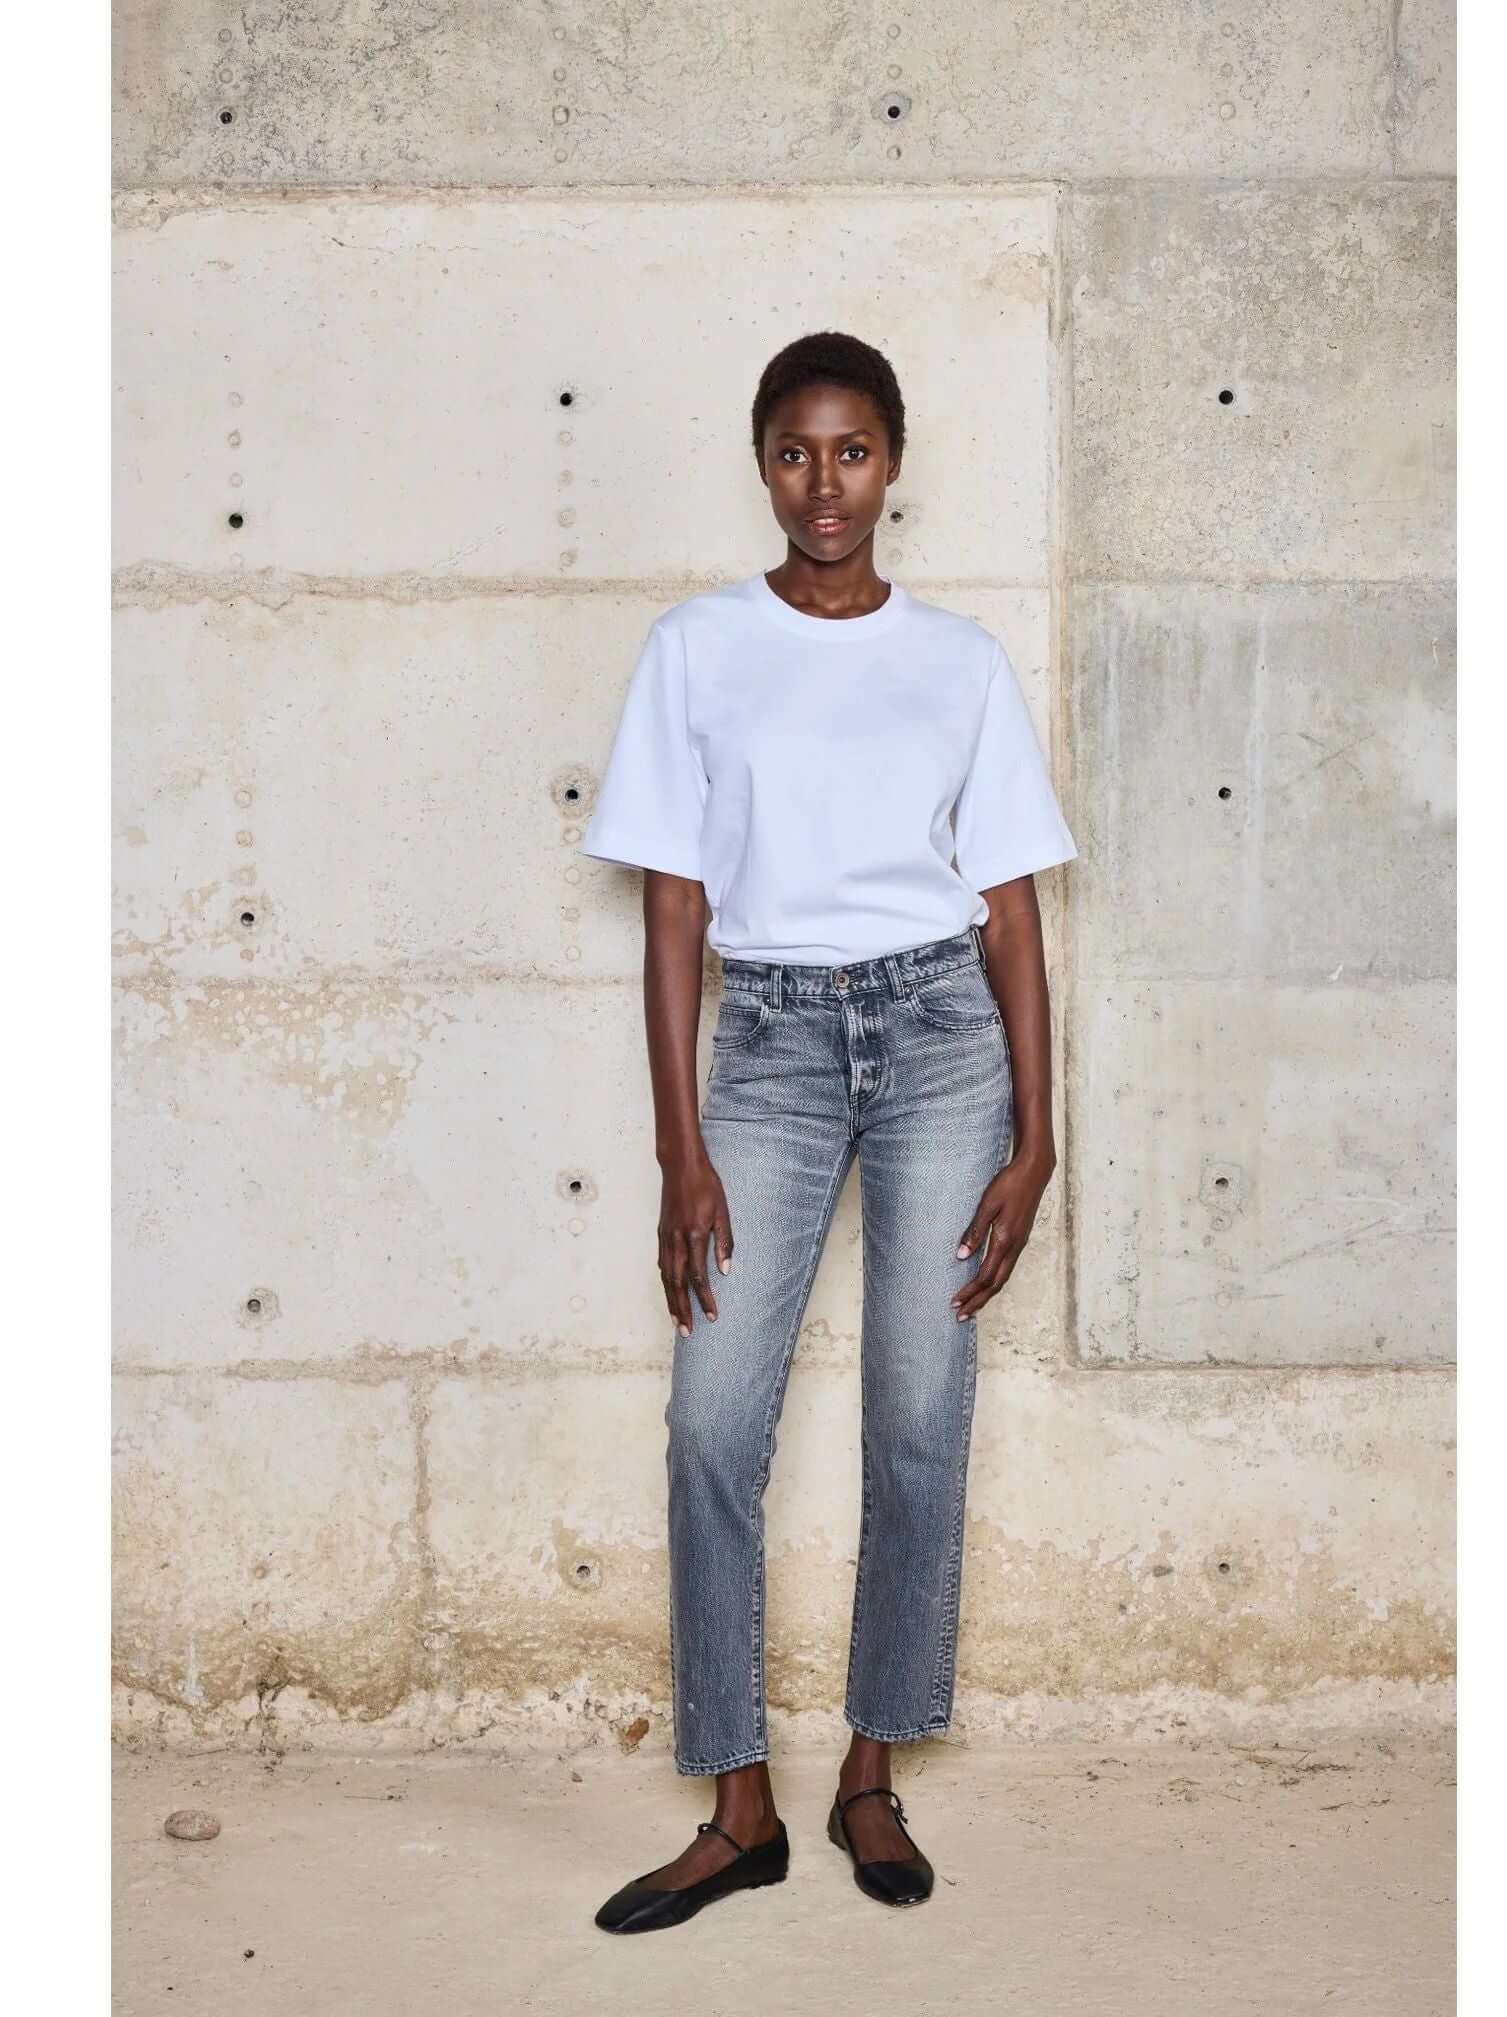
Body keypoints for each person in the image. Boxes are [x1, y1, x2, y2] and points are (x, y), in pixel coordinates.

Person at [580, 332, 1079, 1932]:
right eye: (794, 452)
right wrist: (682, 1148)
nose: (823, 485)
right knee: (710, 1422)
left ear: (892, 462)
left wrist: (1036, 1136)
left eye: (851, 451)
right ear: (761, 463)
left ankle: (869, 1771)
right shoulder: (696, 648)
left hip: (941, 1038)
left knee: (918, 1414)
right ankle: (739, 1805)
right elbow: (674, 910)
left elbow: (1007, 910)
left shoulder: (959, 663)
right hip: (772, 1047)